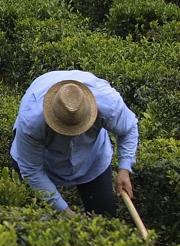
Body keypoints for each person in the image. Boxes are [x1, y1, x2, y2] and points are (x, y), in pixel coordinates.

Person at [10, 70, 138, 217]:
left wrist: (124, 168)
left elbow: (128, 129)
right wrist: (64, 211)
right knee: (42, 221)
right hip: (45, 162)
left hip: (93, 159)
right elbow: (32, 170)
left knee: (105, 217)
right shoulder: (31, 121)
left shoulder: (108, 103)